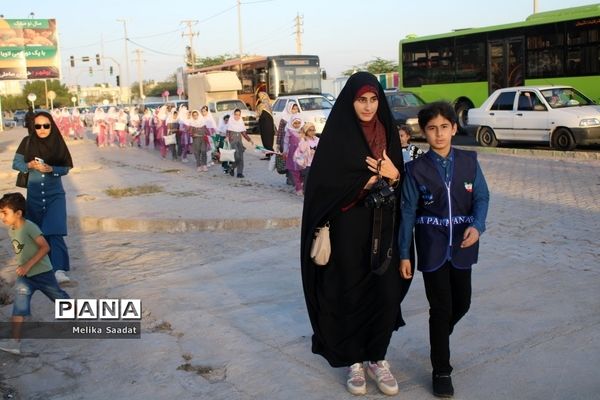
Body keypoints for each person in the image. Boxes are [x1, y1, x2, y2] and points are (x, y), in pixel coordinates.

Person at [300, 72, 411, 396]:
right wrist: (361, 183)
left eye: (373, 99)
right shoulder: (338, 134)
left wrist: (393, 175)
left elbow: (399, 180)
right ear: (351, 101)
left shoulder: (388, 130)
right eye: (361, 100)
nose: (367, 106)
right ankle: (354, 361)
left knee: (385, 291)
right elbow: (321, 186)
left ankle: (377, 357)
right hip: (348, 227)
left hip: (383, 224)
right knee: (349, 290)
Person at [398, 101, 490, 398]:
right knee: (440, 309)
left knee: (461, 303)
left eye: (444, 127)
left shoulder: (469, 161)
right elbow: (408, 212)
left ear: (453, 128)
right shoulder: (415, 170)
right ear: (424, 132)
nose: (439, 134)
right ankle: (441, 371)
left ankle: (440, 339)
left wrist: (477, 226)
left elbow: (482, 198)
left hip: (463, 245)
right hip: (432, 246)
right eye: (432, 128)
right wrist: (404, 253)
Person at [0, 192, 70, 355]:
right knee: (19, 308)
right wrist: (23, 268)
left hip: (43, 273)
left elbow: (45, 247)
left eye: (5, 213)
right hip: (26, 278)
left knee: (59, 298)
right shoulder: (12, 230)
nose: (2, 216)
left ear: (18, 213)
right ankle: (14, 343)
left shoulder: (30, 227)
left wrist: (28, 265)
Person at [12, 111, 74, 284]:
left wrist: (52, 169)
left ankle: (59, 269)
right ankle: (43, 267)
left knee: (54, 231)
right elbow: (15, 163)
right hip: (34, 196)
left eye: (46, 125)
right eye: (38, 126)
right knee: (38, 233)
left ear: (51, 125)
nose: (42, 129)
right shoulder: (27, 142)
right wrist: (28, 165)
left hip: (55, 196)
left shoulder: (58, 143)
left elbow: (66, 167)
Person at [226, 109, 254, 178]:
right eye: (236, 114)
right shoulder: (230, 121)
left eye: (239, 115)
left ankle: (239, 173)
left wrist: (249, 140)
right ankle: (232, 167)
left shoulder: (241, 122)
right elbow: (227, 131)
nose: (237, 116)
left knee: (241, 158)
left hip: (239, 142)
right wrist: (226, 137)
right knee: (237, 156)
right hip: (233, 142)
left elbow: (244, 133)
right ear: (233, 114)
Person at [294, 121, 319, 191]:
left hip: (316, 163)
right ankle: (305, 192)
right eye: (310, 130)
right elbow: (301, 151)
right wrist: (309, 152)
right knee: (307, 179)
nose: (312, 132)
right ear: (306, 131)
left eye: (313, 130)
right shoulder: (304, 140)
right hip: (307, 163)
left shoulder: (317, 139)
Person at [283, 115, 304, 196]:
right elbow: (285, 142)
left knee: (302, 170)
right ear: (291, 123)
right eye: (295, 123)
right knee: (295, 171)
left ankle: (301, 184)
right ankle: (298, 188)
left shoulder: (303, 130)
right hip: (293, 153)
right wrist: (285, 151)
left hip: (302, 153)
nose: (297, 125)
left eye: (298, 123)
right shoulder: (289, 131)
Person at [256, 91, 275, 159]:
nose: (259, 97)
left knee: (266, 139)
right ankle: (268, 154)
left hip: (265, 124)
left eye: (260, 96)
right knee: (268, 139)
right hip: (268, 123)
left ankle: (270, 154)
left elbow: (258, 114)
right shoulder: (269, 103)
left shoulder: (262, 104)